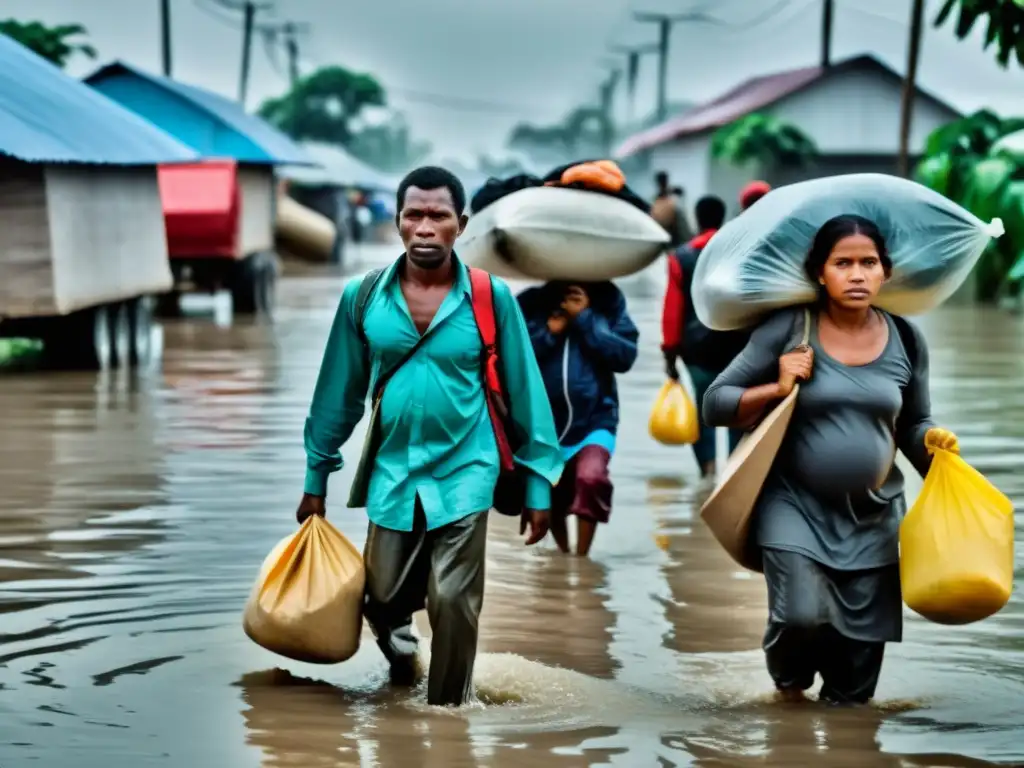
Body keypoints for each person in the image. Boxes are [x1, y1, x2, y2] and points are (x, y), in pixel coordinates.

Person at [297, 166, 564, 706]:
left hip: (468, 464)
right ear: (397, 222)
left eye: (437, 215)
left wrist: (539, 488)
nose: (424, 226)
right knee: (380, 598)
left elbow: (529, 395)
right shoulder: (364, 296)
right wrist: (315, 475)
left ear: (460, 225)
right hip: (393, 470)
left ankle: (448, 712)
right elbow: (337, 394)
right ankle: (406, 662)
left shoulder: (492, 299)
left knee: (452, 599)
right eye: (413, 214)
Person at [702, 214, 960, 705]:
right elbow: (715, 403)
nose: (857, 274)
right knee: (798, 617)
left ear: (886, 272)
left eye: (869, 263)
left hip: (875, 516)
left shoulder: (905, 338)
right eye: (843, 263)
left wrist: (936, 445)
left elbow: (913, 424)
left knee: (857, 676)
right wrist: (776, 387)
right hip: (791, 505)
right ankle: (788, 692)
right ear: (820, 272)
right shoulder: (788, 329)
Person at [517, 281, 639, 556]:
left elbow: (625, 356)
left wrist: (585, 318)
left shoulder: (609, 300)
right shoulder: (531, 302)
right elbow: (510, 355)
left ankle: (582, 558)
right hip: (542, 425)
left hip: (596, 420)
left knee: (591, 478)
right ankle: (564, 554)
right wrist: (549, 331)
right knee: (552, 490)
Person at [661, 195, 747, 478]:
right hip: (737, 345)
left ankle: (708, 472)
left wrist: (670, 353)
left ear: (697, 219)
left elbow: (673, 309)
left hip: (696, 350)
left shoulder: (681, 257)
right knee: (737, 410)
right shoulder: (738, 252)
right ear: (722, 217)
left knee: (704, 409)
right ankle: (734, 472)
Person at [650, 171, 693, 247]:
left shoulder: (672, 200)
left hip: (673, 241)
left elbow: (683, 226)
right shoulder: (657, 201)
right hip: (666, 240)